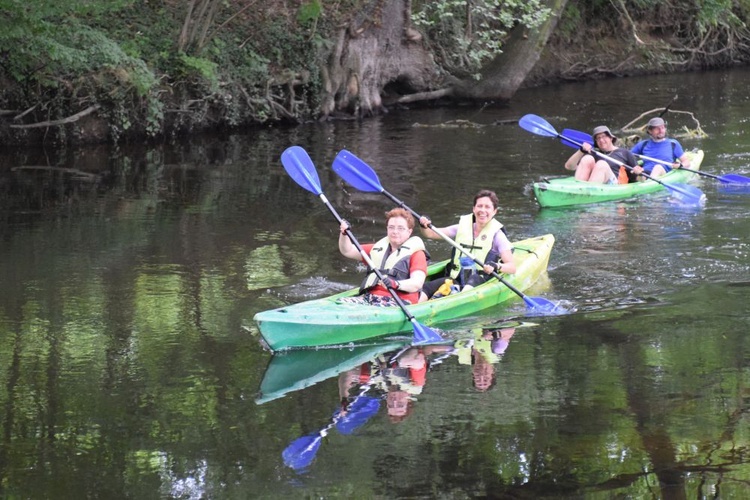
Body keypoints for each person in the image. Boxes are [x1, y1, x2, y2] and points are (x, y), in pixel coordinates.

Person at [417, 190, 515, 301]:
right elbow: (430, 234)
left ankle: (457, 300)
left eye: (487, 207)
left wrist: (496, 266)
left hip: (481, 280)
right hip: (457, 278)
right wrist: (423, 225)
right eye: (479, 206)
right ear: (474, 209)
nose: (482, 210)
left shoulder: (498, 236)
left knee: (474, 279)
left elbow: (512, 267)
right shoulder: (462, 228)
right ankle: (416, 308)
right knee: (427, 287)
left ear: (494, 211)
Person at [338, 207, 427, 306]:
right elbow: (347, 250)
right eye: (391, 227)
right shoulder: (377, 249)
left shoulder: (417, 254)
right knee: (341, 303)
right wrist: (344, 234)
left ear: (409, 232)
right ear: (387, 229)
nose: (395, 231)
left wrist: (395, 284)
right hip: (370, 298)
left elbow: (417, 283)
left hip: (399, 301)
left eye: (400, 228)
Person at [564, 125, 643, 184]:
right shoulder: (594, 153)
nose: (601, 140)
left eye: (604, 136)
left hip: (616, 185)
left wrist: (637, 173)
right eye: (598, 138)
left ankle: (589, 192)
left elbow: (640, 179)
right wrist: (581, 150)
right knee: (587, 158)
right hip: (596, 183)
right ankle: (579, 189)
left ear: (611, 138)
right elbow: (569, 166)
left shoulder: (624, 152)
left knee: (602, 164)